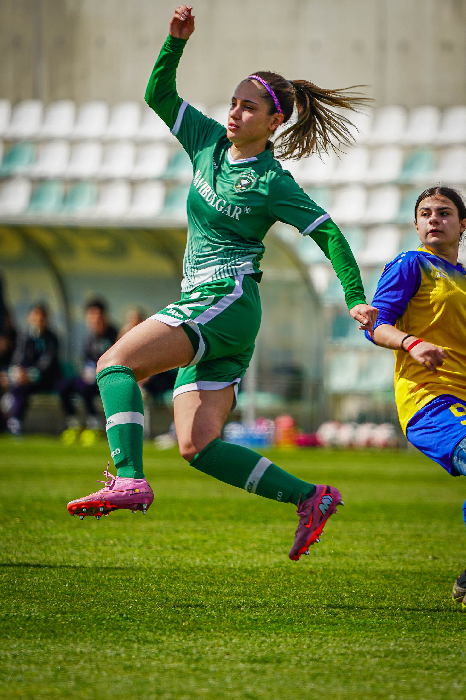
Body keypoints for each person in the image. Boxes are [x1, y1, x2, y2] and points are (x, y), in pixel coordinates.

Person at [67, 5, 377, 560]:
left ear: (274, 122)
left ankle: (129, 478)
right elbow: (158, 95)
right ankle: (311, 498)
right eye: (233, 102)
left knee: (114, 364)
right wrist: (175, 42)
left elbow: (329, 232)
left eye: (248, 106)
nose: (234, 112)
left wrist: (355, 298)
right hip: (212, 307)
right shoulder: (207, 140)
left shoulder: (272, 181)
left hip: (226, 299)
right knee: (197, 445)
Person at [365, 186, 466, 608]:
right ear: (416, 224)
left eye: (444, 212)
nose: (433, 219)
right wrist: (411, 342)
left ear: (463, 225)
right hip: (430, 400)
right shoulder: (411, 264)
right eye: (425, 213)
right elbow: (376, 324)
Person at [59, 299, 118, 443]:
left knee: (86, 388)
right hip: (91, 378)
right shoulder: (89, 338)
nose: (95, 320)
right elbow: (85, 360)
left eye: (98, 315)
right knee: (63, 386)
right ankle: (73, 423)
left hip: (108, 379)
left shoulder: (114, 335)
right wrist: (86, 371)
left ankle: (95, 423)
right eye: (91, 316)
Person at [3, 303, 60, 436]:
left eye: (42, 317)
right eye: (36, 316)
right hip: (25, 380)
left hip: (45, 380)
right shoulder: (24, 338)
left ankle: (14, 414)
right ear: (29, 318)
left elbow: (47, 363)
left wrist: (29, 374)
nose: (39, 319)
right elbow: (18, 359)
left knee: (22, 385)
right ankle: (14, 419)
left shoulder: (52, 339)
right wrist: (17, 372)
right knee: (18, 382)